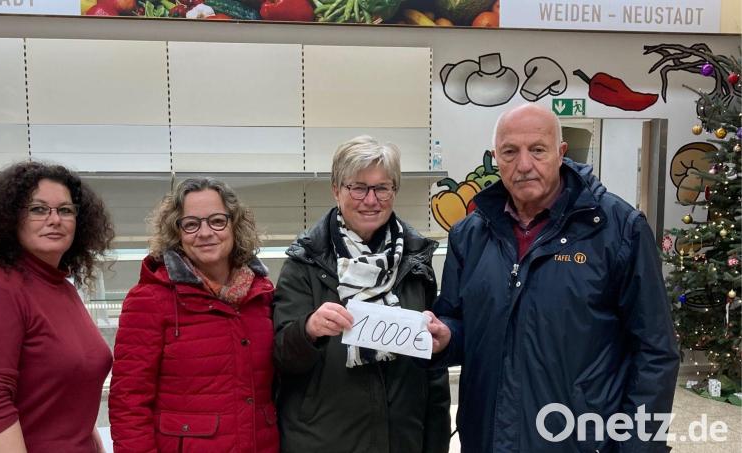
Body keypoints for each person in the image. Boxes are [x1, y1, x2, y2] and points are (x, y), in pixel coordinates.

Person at [425, 103, 680, 452]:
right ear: (495, 157)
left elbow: (655, 352)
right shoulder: (470, 235)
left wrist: (639, 447)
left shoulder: (619, 230)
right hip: (489, 437)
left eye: (538, 150)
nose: (524, 165)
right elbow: (458, 322)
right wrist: (444, 338)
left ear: (561, 153)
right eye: (510, 152)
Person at [273, 135, 451, 453]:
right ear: (336, 190)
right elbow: (281, 356)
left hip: (402, 438)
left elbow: (432, 376)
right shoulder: (306, 261)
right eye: (358, 187)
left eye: (382, 188)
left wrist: (437, 342)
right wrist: (309, 330)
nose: (371, 200)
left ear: (394, 191)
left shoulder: (416, 262)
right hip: (323, 440)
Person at [108, 178, 278, 453]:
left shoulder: (262, 295)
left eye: (217, 221)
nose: (205, 232)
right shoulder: (149, 300)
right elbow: (129, 402)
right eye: (191, 224)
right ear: (177, 233)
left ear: (234, 225)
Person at [0, 161, 115, 453]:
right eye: (38, 209)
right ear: (11, 219)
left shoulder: (63, 290)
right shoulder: (1, 289)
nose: (54, 219)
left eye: (65, 210)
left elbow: (72, 398)